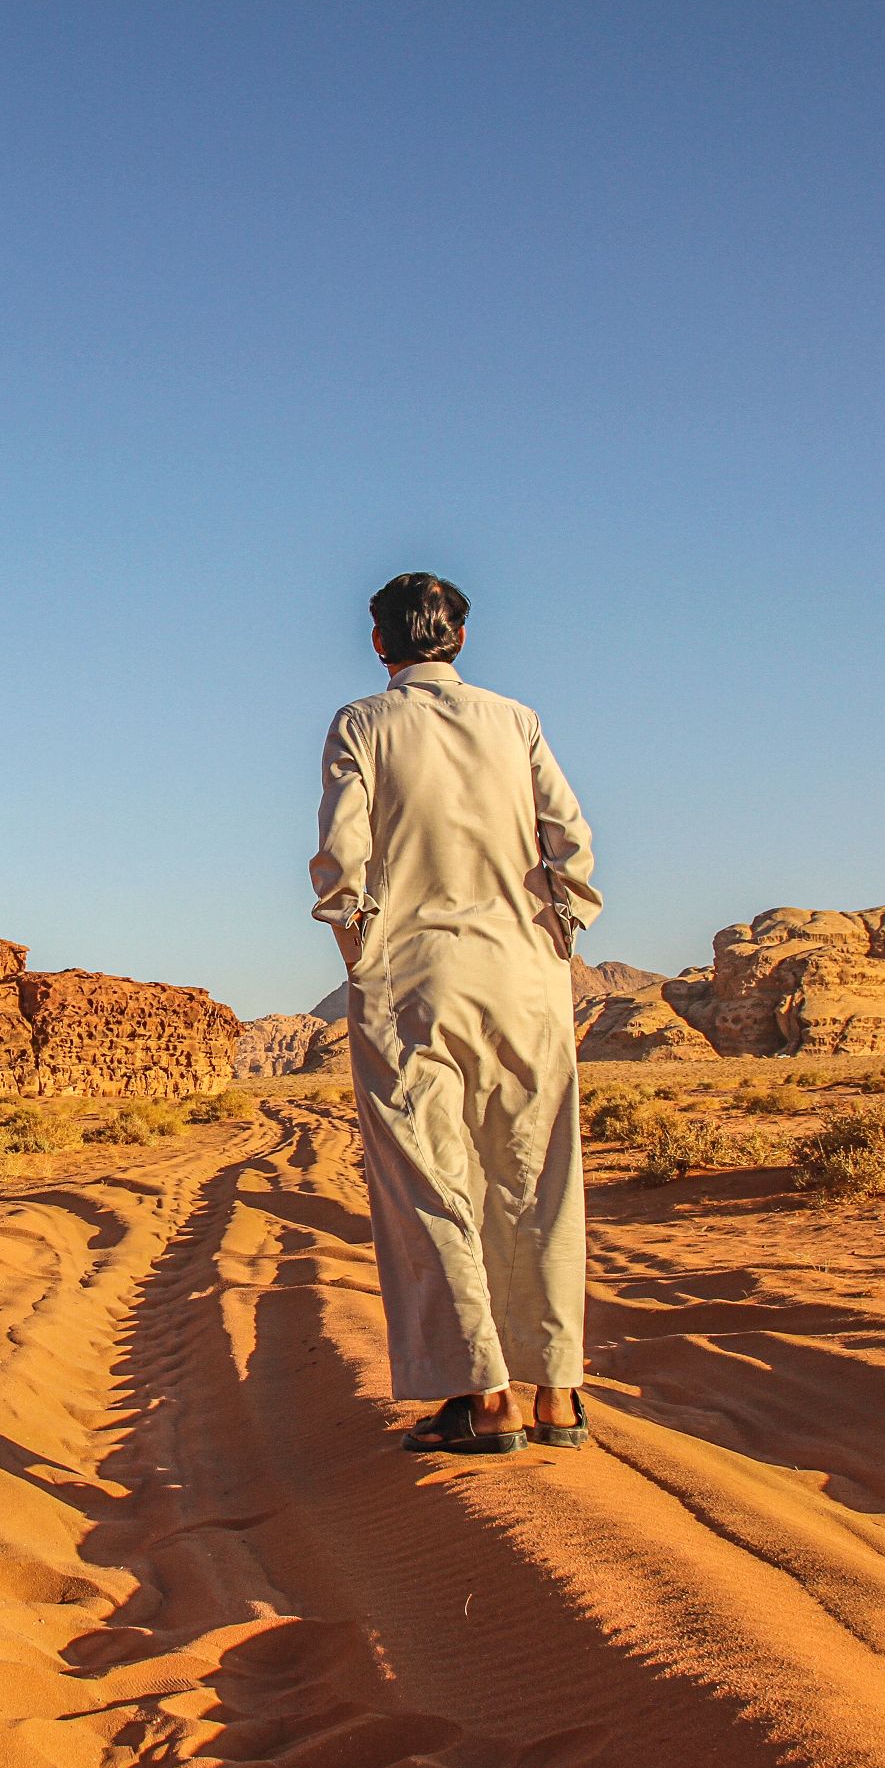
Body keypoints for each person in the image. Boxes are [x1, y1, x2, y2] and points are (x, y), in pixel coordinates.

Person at [309, 572, 600, 1455]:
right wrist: (560, 924)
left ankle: (483, 1399)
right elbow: (570, 840)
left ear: (378, 643)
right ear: (461, 639)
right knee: (538, 1171)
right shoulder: (517, 720)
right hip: (527, 978)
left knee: (430, 1178)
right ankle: (558, 1394)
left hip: (414, 978)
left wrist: (353, 937)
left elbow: (341, 853)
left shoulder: (361, 723)